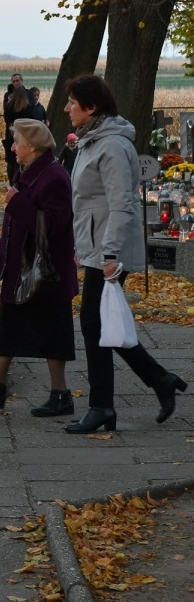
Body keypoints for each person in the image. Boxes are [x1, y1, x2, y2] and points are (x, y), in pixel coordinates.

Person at [63, 74, 187, 434]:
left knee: (93, 324)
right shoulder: (92, 141)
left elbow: (121, 205)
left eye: (73, 102)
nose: (67, 107)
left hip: (110, 248)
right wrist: (81, 248)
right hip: (97, 245)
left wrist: (109, 255)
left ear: (92, 108)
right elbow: (86, 203)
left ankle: (103, 406)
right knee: (98, 324)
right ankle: (158, 380)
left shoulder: (112, 146)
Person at [0, 119, 78, 414]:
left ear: (33, 147)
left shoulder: (53, 177)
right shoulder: (29, 173)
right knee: (9, 326)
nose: (12, 148)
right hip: (23, 270)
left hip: (45, 274)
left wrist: (18, 203)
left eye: (16, 142)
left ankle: (61, 395)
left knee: (54, 334)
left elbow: (53, 225)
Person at [4, 85, 37, 184]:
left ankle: (11, 181)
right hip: (23, 135)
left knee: (11, 161)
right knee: (21, 159)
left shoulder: (9, 107)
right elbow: (31, 120)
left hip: (11, 134)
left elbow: (6, 119)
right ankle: (19, 180)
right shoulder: (27, 107)